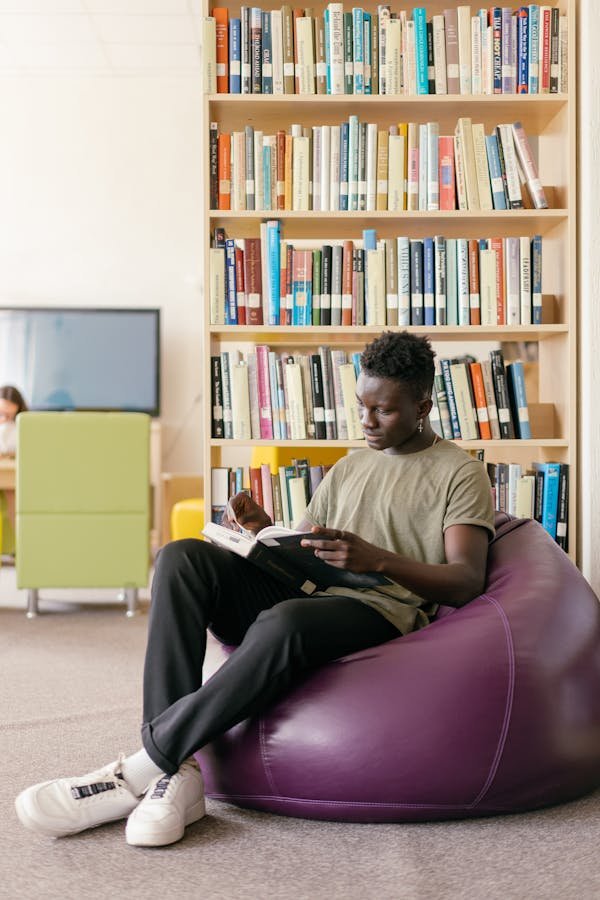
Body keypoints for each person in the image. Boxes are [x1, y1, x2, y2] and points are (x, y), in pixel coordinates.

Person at [14, 331, 495, 848]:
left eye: (385, 411)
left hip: (380, 608)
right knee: (179, 558)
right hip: (313, 593)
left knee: (281, 621)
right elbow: (308, 545)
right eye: (362, 406)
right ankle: (177, 774)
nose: (368, 422)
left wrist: (377, 558)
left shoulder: (460, 474)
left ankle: (145, 767)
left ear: (422, 406)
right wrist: (263, 530)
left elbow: (465, 580)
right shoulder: (351, 466)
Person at [0, 385, 28, 556]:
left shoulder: (19, 427)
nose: (4, 419)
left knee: (12, 495)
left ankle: (22, 547)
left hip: (9, 474)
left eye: (9, 415)